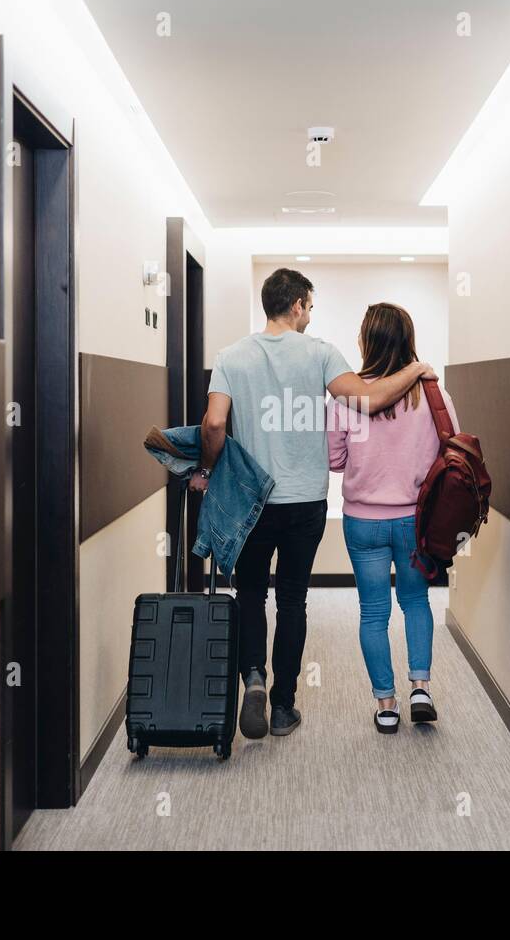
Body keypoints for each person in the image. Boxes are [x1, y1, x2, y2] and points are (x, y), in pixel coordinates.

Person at [193, 270, 435, 739]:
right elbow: (369, 399)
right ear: (298, 305)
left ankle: (253, 678)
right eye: (310, 306)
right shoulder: (321, 353)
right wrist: (416, 369)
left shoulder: (230, 357)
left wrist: (205, 469)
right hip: (304, 502)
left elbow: (215, 424)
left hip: (251, 499)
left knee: (250, 594)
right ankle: (283, 706)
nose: (310, 315)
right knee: (292, 600)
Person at [326, 303, 457, 734]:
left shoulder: (346, 398)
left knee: (373, 612)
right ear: (408, 340)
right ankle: (421, 688)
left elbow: (334, 460)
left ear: (367, 341)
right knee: (416, 601)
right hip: (414, 521)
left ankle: (386, 704)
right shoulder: (433, 395)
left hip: (362, 522)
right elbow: (450, 453)